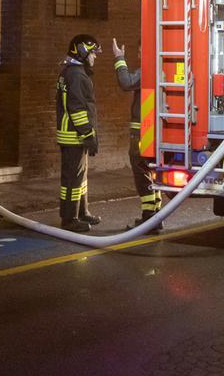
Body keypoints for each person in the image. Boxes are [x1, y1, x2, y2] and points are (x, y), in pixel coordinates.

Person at [113, 38, 162, 230]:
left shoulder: (148, 71)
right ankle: (155, 216)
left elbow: (126, 82)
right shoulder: (161, 69)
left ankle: (149, 216)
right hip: (152, 130)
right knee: (150, 172)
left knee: (141, 171)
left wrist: (119, 58)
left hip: (142, 131)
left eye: (142, 52)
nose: (140, 55)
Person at [56, 34, 103, 232]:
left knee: (80, 178)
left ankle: (82, 212)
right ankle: (69, 219)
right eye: (92, 53)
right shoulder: (76, 75)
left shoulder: (73, 72)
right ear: (83, 52)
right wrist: (87, 135)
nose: (95, 57)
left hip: (75, 135)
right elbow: (76, 108)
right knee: (71, 180)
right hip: (74, 135)